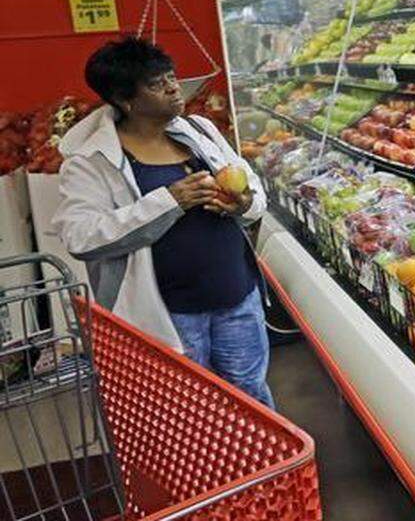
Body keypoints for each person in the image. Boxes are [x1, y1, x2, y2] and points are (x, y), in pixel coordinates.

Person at [53, 37, 274, 408]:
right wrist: (169, 201)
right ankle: (212, 468)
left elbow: (251, 187)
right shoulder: (91, 162)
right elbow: (81, 236)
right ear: (126, 100)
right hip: (171, 313)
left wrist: (243, 203)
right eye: (157, 84)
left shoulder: (199, 130)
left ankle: (264, 468)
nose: (174, 88)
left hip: (237, 296)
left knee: (250, 396)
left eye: (172, 77)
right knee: (190, 409)